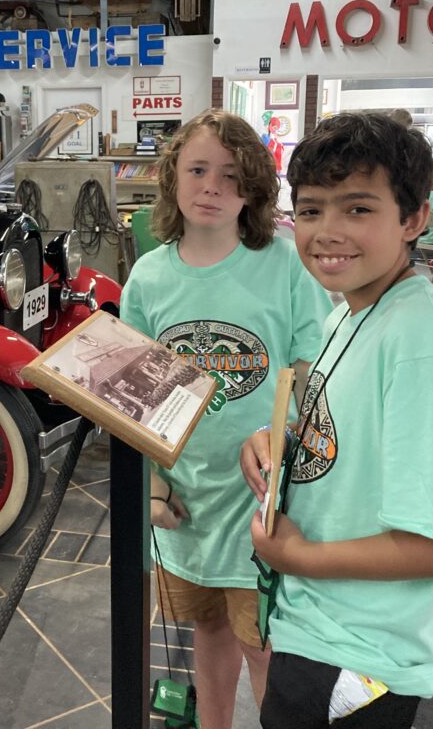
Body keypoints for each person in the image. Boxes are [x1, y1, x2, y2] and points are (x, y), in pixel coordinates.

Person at [239, 112, 433, 729]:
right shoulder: (353, 312)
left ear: (413, 218)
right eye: (310, 210)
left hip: (357, 656)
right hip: (320, 625)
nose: (327, 232)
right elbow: (351, 431)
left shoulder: (421, 344)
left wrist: (302, 557)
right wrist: (277, 439)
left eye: (357, 209)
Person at [120, 109, 331, 729]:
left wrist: (288, 441)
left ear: (255, 191)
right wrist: (150, 481)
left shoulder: (284, 265)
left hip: (260, 498)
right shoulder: (149, 276)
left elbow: (313, 369)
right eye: (198, 170)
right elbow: (130, 391)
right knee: (206, 627)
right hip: (183, 497)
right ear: (172, 178)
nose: (212, 187)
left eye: (232, 176)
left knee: (262, 641)